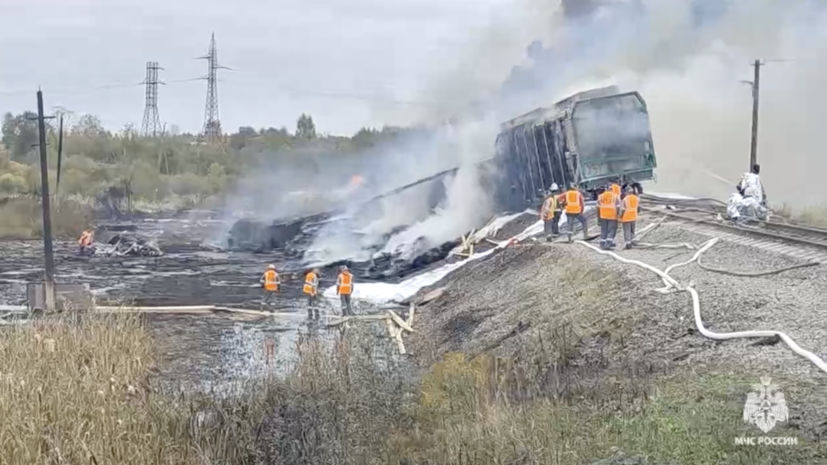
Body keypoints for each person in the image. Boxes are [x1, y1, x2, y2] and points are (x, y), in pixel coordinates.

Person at [597, 185, 621, 250]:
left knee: (604, 230)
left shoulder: (601, 196)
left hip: (603, 215)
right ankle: (608, 244)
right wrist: (618, 215)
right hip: (612, 215)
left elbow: (598, 207)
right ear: (611, 189)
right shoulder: (615, 196)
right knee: (612, 230)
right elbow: (618, 207)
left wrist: (598, 217)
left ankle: (602, 243)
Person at [619, 185, 640, 249]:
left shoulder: (625, 199)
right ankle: (633, 240)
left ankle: (628, 243)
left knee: (627, 230)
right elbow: (638, 208)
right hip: (634, 216)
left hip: (626, 216)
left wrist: (620, 216)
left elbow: (623, 209)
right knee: (632, 230)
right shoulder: (637, 198)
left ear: (626, 192)